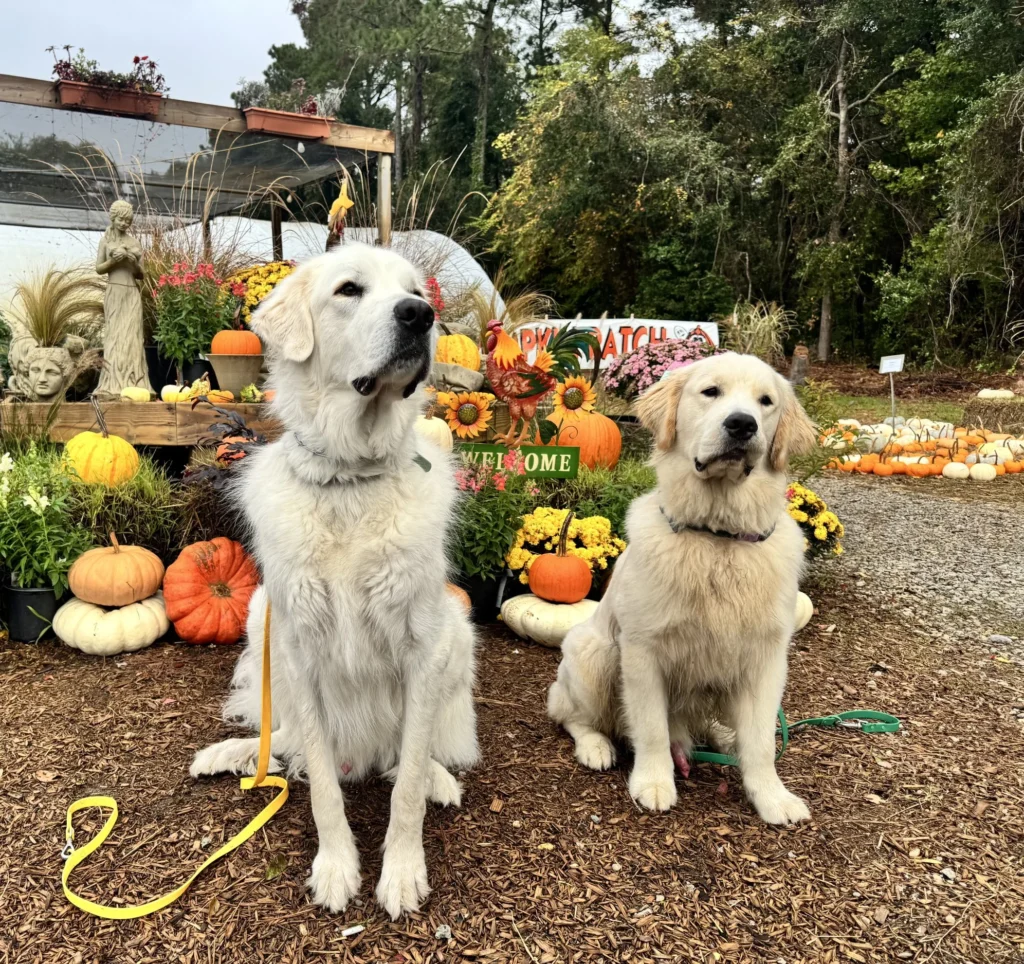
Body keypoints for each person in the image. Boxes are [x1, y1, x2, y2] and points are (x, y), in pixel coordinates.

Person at [94, 199, 153, 396]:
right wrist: (113, 261)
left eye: (128, 221)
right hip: (115, 292)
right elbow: (99, 268)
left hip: (131, 293)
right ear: (114, 218)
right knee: (114, 336)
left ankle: (137, 383)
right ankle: (111, 384)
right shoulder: (106, 241)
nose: (124, 224)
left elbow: (141, 275)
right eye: (121, 220)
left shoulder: (134, 242)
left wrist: (132, 261)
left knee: (132, 336)